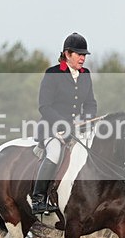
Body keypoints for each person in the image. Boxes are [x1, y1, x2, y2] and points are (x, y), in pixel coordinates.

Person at [31, 32, 98, 214]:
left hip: (77, 129)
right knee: (54, 153)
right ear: (67, 54)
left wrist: (85, 120)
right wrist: (63, 125)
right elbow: (44, 106)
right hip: (52, 129)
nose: (83, 58)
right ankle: (38, 198)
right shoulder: (52, 74)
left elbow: (90, 104)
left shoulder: (85, 75)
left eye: (84, 55)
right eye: (79, 54)